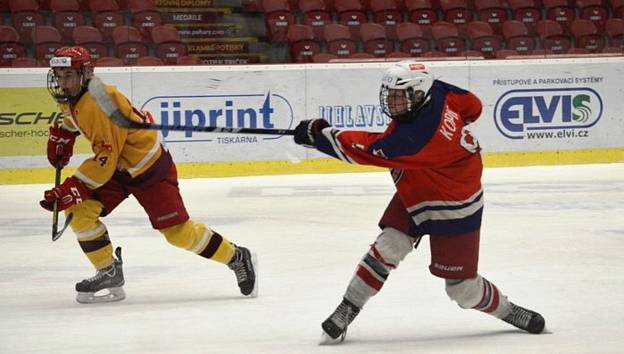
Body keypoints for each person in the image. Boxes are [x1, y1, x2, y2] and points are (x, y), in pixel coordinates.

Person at [293, 60, 546, 344]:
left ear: (417, 95)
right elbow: (473, 105)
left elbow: (369, 148)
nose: (391, 102)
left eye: (398, 96)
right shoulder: (437, 91)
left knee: (462, 290)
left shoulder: (417, 139)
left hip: (454, 203)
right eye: (389, 95)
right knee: (388, 246)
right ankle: (348, 306)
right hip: (421, 181)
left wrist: (320, 136)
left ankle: (509, 311)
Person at [40, 46, 257, 304]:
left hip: (148, 168)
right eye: (59, 76)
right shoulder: (73, 96)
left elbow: (104, 160)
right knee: (79, 212)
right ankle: (108, 270)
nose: (63, 84)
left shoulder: (100, 103)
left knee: (179, 234)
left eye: (69, 76)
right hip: (118, 167)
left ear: (85, 74)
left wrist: (73, 187)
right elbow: (76, 121)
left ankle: (236, 257)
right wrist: (64, 133)